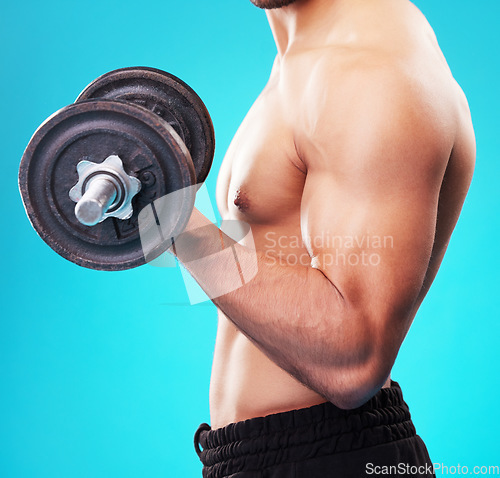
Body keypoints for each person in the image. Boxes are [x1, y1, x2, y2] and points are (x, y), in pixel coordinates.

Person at [172, 0, 475, 476]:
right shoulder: (297, 61)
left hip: (337, 458)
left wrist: (173, 225)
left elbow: (352, 363)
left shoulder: (370, 72)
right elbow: (252, 274)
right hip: (242, 455)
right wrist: (173, 217)